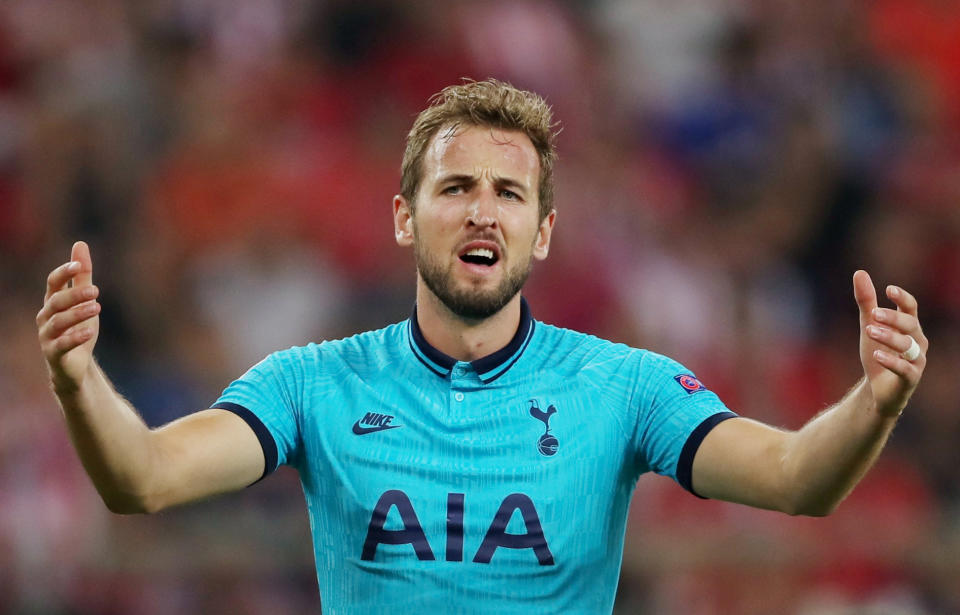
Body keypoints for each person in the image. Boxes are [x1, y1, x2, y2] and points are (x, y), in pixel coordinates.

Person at [36, 80, 927, 614]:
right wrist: (78, 381)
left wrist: (875, 399)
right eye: (455, 185)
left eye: (508, 192)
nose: (480, 209)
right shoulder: (313, 383)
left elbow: (796, 480)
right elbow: (143, 478)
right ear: (404, 216)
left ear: (541, 232)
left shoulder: (621, 386)